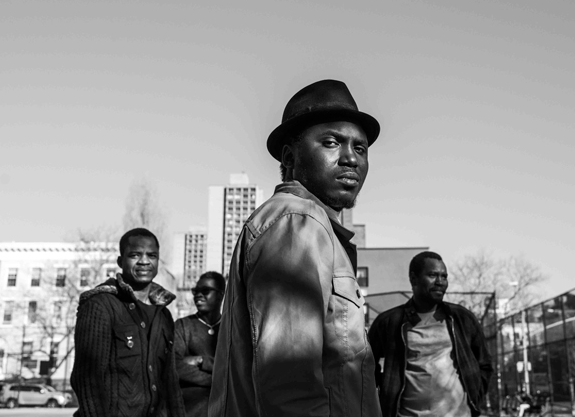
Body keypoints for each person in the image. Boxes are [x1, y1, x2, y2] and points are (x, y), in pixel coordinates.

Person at [208, 79, 382, 417]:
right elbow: (290, 386)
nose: (350, 158)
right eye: (331, 142)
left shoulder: (315, 228)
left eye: (360, 148)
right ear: (290, 157)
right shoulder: (296, 221)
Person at [71, 227, 184, 417]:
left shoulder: (164, 315)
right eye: (135, 255)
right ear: (120, 261)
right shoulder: (100, 306)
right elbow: (87, 380)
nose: (144, 261)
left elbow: (171, 381)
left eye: (152, 255)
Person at [368, 251, 493, 417]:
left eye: (444, 276)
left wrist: (475, 396)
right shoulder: (389, 323)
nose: (440, 282)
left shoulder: (462, 319)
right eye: (433, 275)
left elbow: (484, 364)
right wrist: (384, 396)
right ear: (414, 279)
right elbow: (365, 367)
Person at [174, 272, 225, 417]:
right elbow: (174, 366)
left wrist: (202, 361)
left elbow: (236, 367)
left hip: (224, 408)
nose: (198, 295)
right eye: (195, 291)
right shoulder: (182, 326)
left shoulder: (231, 329)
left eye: (205, 291)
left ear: (220, 295)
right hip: (189, 410)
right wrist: (218, 381)